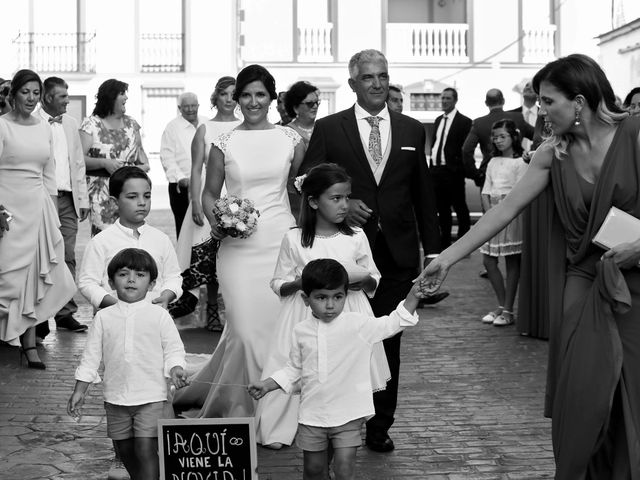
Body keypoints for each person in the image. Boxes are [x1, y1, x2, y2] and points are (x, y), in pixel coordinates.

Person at [421, 53, 640, 478]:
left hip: (637, 281)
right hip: (584, 281)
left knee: (632, 388)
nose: (540, 110)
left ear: (579, 101)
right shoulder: (549, 155)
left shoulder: (634, 135)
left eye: (548, 100)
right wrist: (446, 257)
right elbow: (500, 214)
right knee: (582, 394)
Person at [300, 49, 441, 453]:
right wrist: (347, 201)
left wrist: (432, 253)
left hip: (396, 254)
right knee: (336, 339)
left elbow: (423, 192)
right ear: (352, 84)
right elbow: (307, 179)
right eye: (368, 78)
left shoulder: (413, 129)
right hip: (344, 255)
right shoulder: (329, 128)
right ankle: (334, 421)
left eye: (383, 76)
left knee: (388, 338)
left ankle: (379, 426)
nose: (377, 84)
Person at [172, 64, 305, 419]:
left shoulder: (292, 139)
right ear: (236, 99)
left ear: (272, 98)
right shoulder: (224, 141)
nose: (252, 101)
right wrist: (223, 223)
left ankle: (275, 414)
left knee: (279, 330)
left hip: (281, 243)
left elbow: (302, 192)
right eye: (245, 94)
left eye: (260, 94)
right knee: (245, 330)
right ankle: (241, 406)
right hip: (238, 249)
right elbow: (210, 193)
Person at [254, 163, 388, 450]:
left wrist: (360, 282)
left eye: (347, 197)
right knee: (300, 366)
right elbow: (278, 282)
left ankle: (345, 426)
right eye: (336, 198)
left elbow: (374, 277)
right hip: (304, 312)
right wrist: (302, 283)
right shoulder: (294, 239)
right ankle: (286, 426)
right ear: (313, 201)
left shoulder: (355, 236)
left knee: (346, 370)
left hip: (349, 310)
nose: (344, 205)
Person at [248, 258, 422, 480]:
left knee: (344, 468)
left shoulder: (358, 324)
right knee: (313, 471)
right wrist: (266, 385)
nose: (330, 305)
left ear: (345, 296)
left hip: (349, 413)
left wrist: (414, 295)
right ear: (306, 299)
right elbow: (293, 370)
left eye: (337, 297)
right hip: (313, 414)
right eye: (321, 298)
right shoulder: (301, 331)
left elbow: (392, 323)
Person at [68, 248, 188, 480]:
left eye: (140, 275)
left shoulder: (159, 315)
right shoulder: (103, 317)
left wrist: (175, 368)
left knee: (145, 448)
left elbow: (174, 349)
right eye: (123, 274)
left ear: (152, 283)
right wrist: (79, 390)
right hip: (116, 397)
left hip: (151, 396)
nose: (131, 279)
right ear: (111, 282)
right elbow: (90, 357)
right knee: (124, 450)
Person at [0, 69, 76, 369]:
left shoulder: (44, 127)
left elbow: (49, 174)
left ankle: (29, 345)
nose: (31, 98)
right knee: (7, 277)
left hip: (39, 209)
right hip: (8, 210)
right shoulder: (2, 127)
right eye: (25, 92)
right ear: (13, 94)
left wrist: (53, 214)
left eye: (35, 92)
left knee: (34, 278)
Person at [170, 77, 241, 330]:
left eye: (234, 94)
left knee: (235, 256)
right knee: (208, 259)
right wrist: (197, 203)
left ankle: (236, 311)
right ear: (216, 97)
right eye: (224, 94)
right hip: (209, 198)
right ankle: (211, 310)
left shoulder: (246, 127)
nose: (229, 98)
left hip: (238, 200)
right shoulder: (204, 129)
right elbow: (196, 170)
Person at [78, 166, 182, 310]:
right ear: (114, 202)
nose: (142, 202)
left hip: (153, 319)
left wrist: (166, 296)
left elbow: (173, 277)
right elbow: (87, 283)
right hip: (113, 321)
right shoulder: (100, 242)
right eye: (132, 197)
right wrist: (115, 305)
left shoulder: (161, 240)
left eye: (147, 196)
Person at [35, 76, 90, 340]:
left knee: (68, 254)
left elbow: (78, 163)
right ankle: (40, 316)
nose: (68, 102)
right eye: (63, 97)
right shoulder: (33, 122)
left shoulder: (70, 124)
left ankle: (65, 312)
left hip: (68, 199)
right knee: (44, 256)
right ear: (47, 98)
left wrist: (84, 200)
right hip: (42, 198)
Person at [80, 79, 150, 236]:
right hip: (101, 194)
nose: (126, 98)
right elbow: (79, 160)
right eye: (122, 93)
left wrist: (131, 170)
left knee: (132, 237)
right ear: (110, 97)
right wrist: (104, 163)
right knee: (105, 238)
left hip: (130, 192)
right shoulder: (91, 124)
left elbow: (145, 163)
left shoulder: (132, 124)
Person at [478, 119, 527, 327]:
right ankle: (501, 304)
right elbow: (486, 190)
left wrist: (503, 214)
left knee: (512, 262)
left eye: (502, 136)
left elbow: (520, 192)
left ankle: (508, 309)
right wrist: (490, 215)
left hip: (511, 214)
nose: (498, 140)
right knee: (488, 261)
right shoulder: (492, 161)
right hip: (493, 213)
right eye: (495, 137)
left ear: (513, 137)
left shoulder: (521, 163)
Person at [462, 88, 534, 188]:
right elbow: (538, 137)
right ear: (503, 101)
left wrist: (475, 174)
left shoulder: (479, 123)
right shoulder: (518, 118)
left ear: (486, 103)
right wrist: (529, 155)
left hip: (488, 175)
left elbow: (466, 150)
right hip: (516, 173)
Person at [429, 87, 473, 249]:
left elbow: (465, 149)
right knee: (442, 209)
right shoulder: (438, 120)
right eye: (443, 98)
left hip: (452, 171)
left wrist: (458, 167)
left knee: (460, 207)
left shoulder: (464, 121)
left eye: (448, 98)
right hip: (436, 171)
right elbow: (435, 144)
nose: (444, 101)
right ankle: (445, 241)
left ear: (455, 100)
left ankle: (464, 243)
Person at [160, 92, 206, 237]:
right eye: (186, 106)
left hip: (207, 185)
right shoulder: (172, 127)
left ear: (198, 106)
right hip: (182, 187)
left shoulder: (207, 122)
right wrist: (180, 177)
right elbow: (167, 156)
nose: (191, 109)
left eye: (193, 105)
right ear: (179, 108)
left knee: (206, 228)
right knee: (185, 231)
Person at [284, 80, 320, 221]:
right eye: (310, 103)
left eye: (317, 103)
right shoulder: (287, 132)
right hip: (295, 199)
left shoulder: (324, 128)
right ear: (296, 107)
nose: (315, 107)